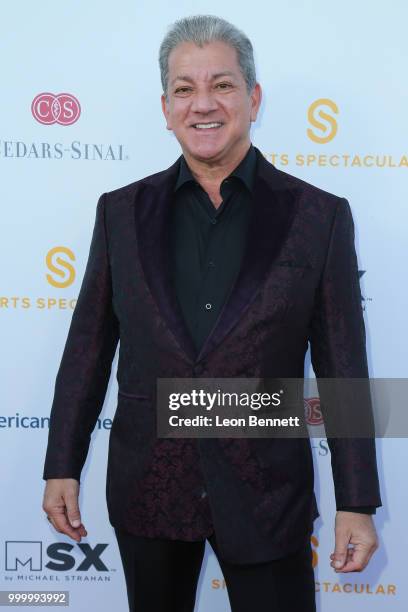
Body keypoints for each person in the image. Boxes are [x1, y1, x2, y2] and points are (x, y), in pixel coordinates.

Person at [42, 14, 382, 612]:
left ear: (252, 98)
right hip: (147, 484)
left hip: (267, 493)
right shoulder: (120, 213)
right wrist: (61, 465)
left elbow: (342, 368)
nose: (203, 104)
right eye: (184, 88)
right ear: (167, 106)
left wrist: (356, 501)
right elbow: (88, 349)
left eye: (222, 85)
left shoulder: (319, 217)